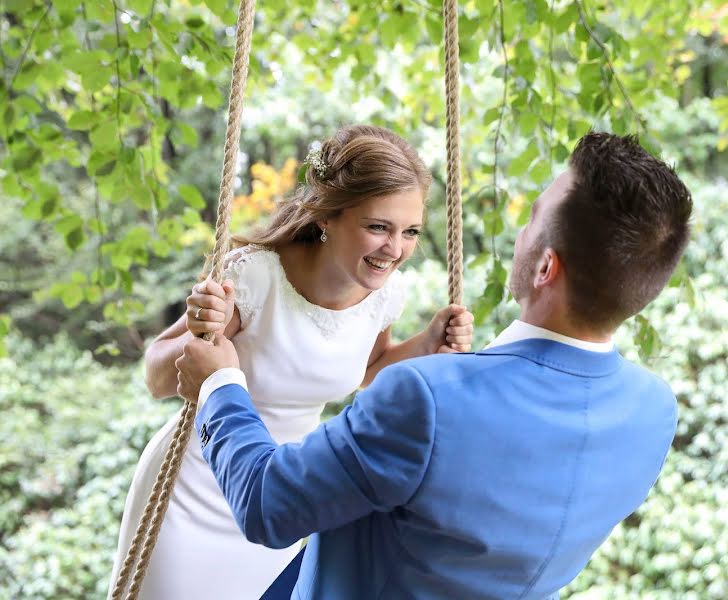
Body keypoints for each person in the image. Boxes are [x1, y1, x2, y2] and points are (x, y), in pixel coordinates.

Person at [175, 131, 693, 599]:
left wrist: (220, 383)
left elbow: (268, 504)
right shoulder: (653, 413)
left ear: (545, 266)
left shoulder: (426, 399)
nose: (521, 232)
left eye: (533, 217)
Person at [109, 124, 474, 600]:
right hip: (194, 494)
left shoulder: (384, 296)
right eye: (378, 227)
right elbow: (158, 377)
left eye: (409, 232)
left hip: (277, 498)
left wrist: (426, 344)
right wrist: (200, 331)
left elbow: (365, 372)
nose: (395, 249)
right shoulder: (255, 276)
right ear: (327, 217)